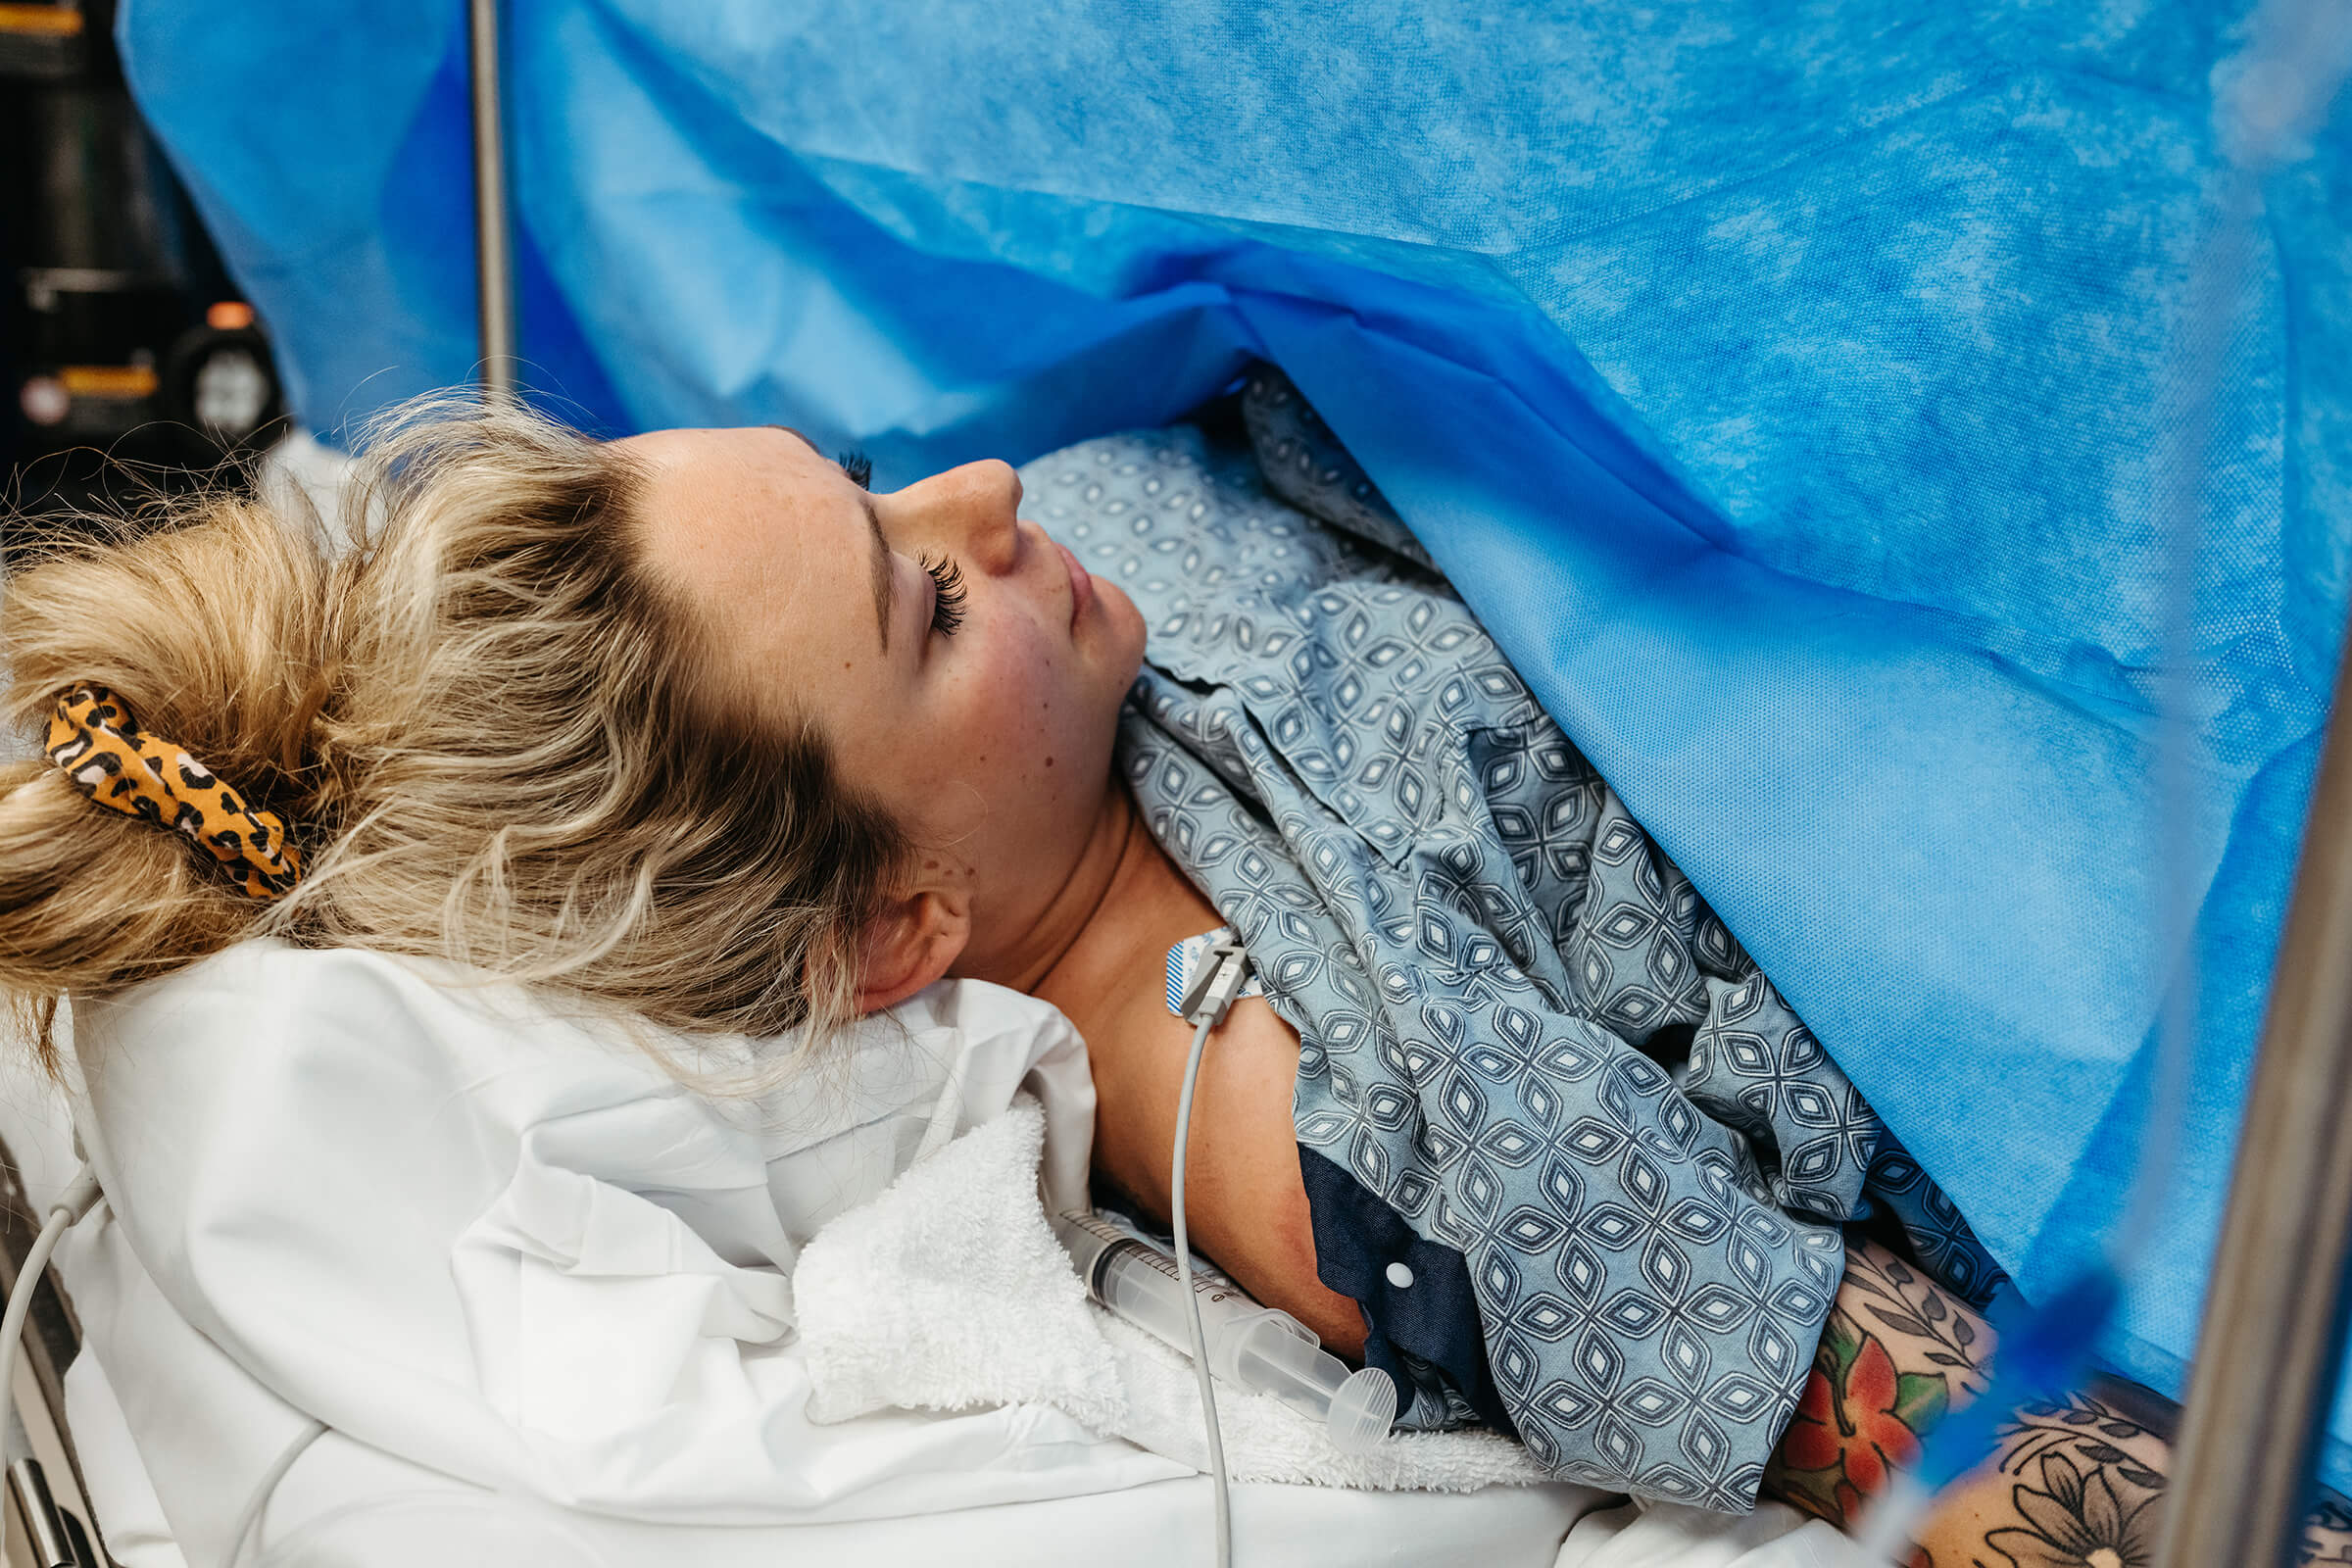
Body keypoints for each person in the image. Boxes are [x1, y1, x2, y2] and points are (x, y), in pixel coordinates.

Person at [0, 371, 2342, 1564]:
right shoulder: (1283, 1112)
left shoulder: (1070, 654)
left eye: (878, 481)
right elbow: (1909, 1416)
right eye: (921, 607)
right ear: (897, 926)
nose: (990, 507)